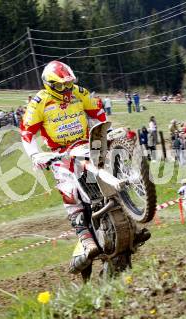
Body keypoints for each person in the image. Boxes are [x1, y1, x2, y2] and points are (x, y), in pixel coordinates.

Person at [20, 61, 150, 273]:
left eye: (69, 84)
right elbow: (26, 133)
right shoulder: (39, 103)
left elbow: (98, 111)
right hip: (59, 152)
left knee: (105, 178)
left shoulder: (79, 92)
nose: (66, 90)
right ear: (49, 85)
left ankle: (132, 224)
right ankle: (86, 238)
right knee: (69, 190)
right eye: (61, 86)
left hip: (85, 145)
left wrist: (104, 129)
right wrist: (36, 155)